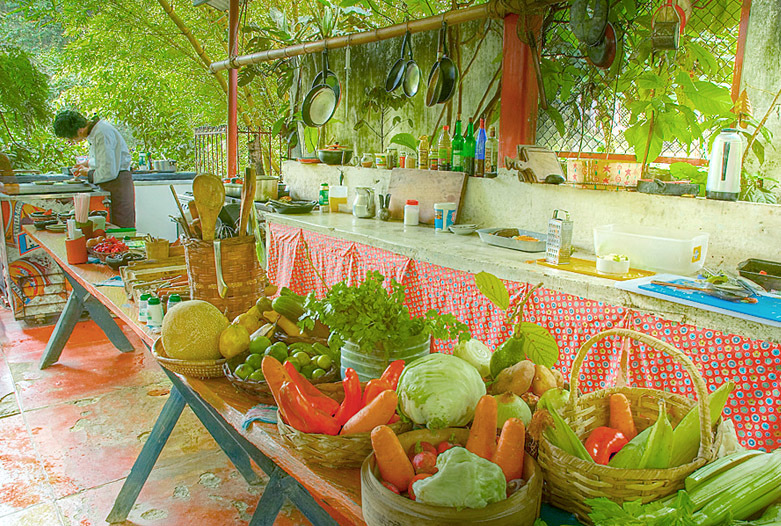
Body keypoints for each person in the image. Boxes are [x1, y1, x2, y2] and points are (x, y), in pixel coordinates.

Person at [53, 111, 135, 228]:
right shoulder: (96, 132)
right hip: (110, 184)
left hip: (117, 185)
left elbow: (108, 171)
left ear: (79, 130)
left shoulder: (102, 133)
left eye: (70, 137)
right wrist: (86, 164)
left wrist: (87, 173)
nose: (72, 141)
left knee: (120, 228)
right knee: (107, 231)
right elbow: (102, 159)